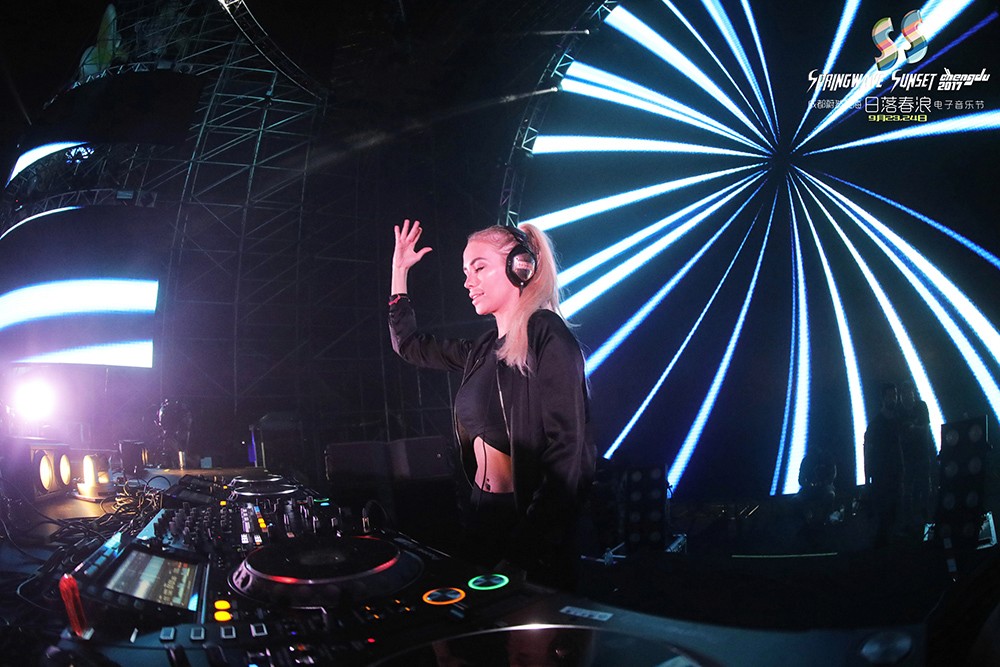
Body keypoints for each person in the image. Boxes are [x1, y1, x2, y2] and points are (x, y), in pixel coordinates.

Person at [388, 218, 595, 589]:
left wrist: (525, 550)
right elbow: (411, 346)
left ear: (520, 267)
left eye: (479, 267)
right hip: (480, 520)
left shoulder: (547, 334)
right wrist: (399, 272)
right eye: (466, 272)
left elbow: (568, 454)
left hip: (527, 532)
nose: (468, 282)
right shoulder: (482, 350)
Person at [863, 382, 905, 547]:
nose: (893, 399)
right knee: (884, 519)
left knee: (895, 516)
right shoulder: (876, 425)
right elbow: (868, 452)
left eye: (895, 395)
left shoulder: (897, 420)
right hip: (882, 478)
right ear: (883, 398)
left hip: (896, 475)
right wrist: (868, 480)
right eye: (890, 396)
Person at [898, 381, 937, 536]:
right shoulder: (901, 412)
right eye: (904, 394)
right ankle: (911, 522)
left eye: (909, 393)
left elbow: (925, 430)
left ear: (913, 393)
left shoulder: (921, 407)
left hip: (921, 455)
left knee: (923, 488)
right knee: (909, 491)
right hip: (907, 458)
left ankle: (925, 518)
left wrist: (913, 429)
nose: (907, 397)